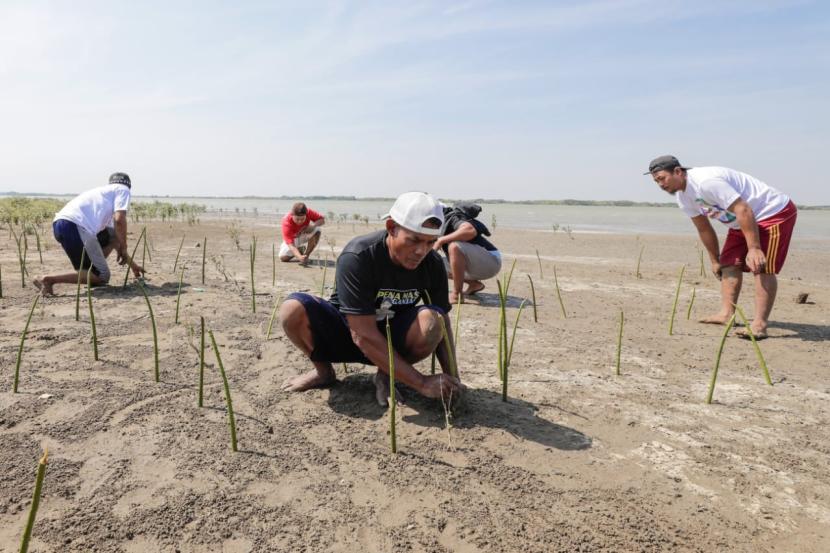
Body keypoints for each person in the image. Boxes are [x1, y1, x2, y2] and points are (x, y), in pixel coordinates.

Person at [280, 191, 464, 406]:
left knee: (435, 320)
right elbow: (361, 334)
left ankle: (386, 375)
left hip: (392, 339)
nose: (421, 251)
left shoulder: (431, 263)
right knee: (291, 310)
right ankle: (323, 372)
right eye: (414, 240)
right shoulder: (359, 256)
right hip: (347, 331)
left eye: (430, 242)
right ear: (391, 228)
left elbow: (444, 323)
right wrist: (421, 382)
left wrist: (454, 380)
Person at [646, 155, 797, 339]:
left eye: (662, 178)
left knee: (761, 266)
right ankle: (726, 314)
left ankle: (759, 324)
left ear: (678, 171)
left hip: (772, 212)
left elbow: (743, 209)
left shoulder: (706, 182)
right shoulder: (683, 197)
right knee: (728, 264)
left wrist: (754, 248)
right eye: (656, 181)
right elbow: (704, 228)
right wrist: (714, 260)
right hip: (740, 221)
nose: (660, 184)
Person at [34, 172, 144, 295]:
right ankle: (49, 279)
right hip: (75, 226)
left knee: (110, 240)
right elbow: (119, 220)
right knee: (102, 276)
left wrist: (133, 266)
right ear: (129, 186)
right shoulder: (122, 189)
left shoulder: (102, 198)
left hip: (60, 225)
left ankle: (89, 272)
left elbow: (114, 238)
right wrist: (124, 246)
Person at [433, 202, 502, 304]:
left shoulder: (453, 218)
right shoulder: (437, 226)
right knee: (432, 263)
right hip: (473, 264)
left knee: (454, 246)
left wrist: (441, 240)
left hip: (491, 261)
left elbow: (470, 230)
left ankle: (457, 295)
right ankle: (474, 284)